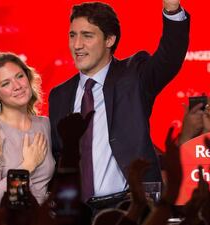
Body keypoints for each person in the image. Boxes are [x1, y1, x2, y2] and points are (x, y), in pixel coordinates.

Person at [49, 0, 190, 208]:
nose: (77, 45)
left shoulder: (134, 76)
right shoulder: (59, 95)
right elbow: (59, 154)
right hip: (77, 212)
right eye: (73, 35)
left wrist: (172, 9)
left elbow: (169, 57)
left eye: (87, 35)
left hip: (131, 206)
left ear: (109, 40)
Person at [0, 52, 55, 223]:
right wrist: (27, 167)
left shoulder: (45, 125)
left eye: (19, 76)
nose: (17, 86)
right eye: (6, 83)